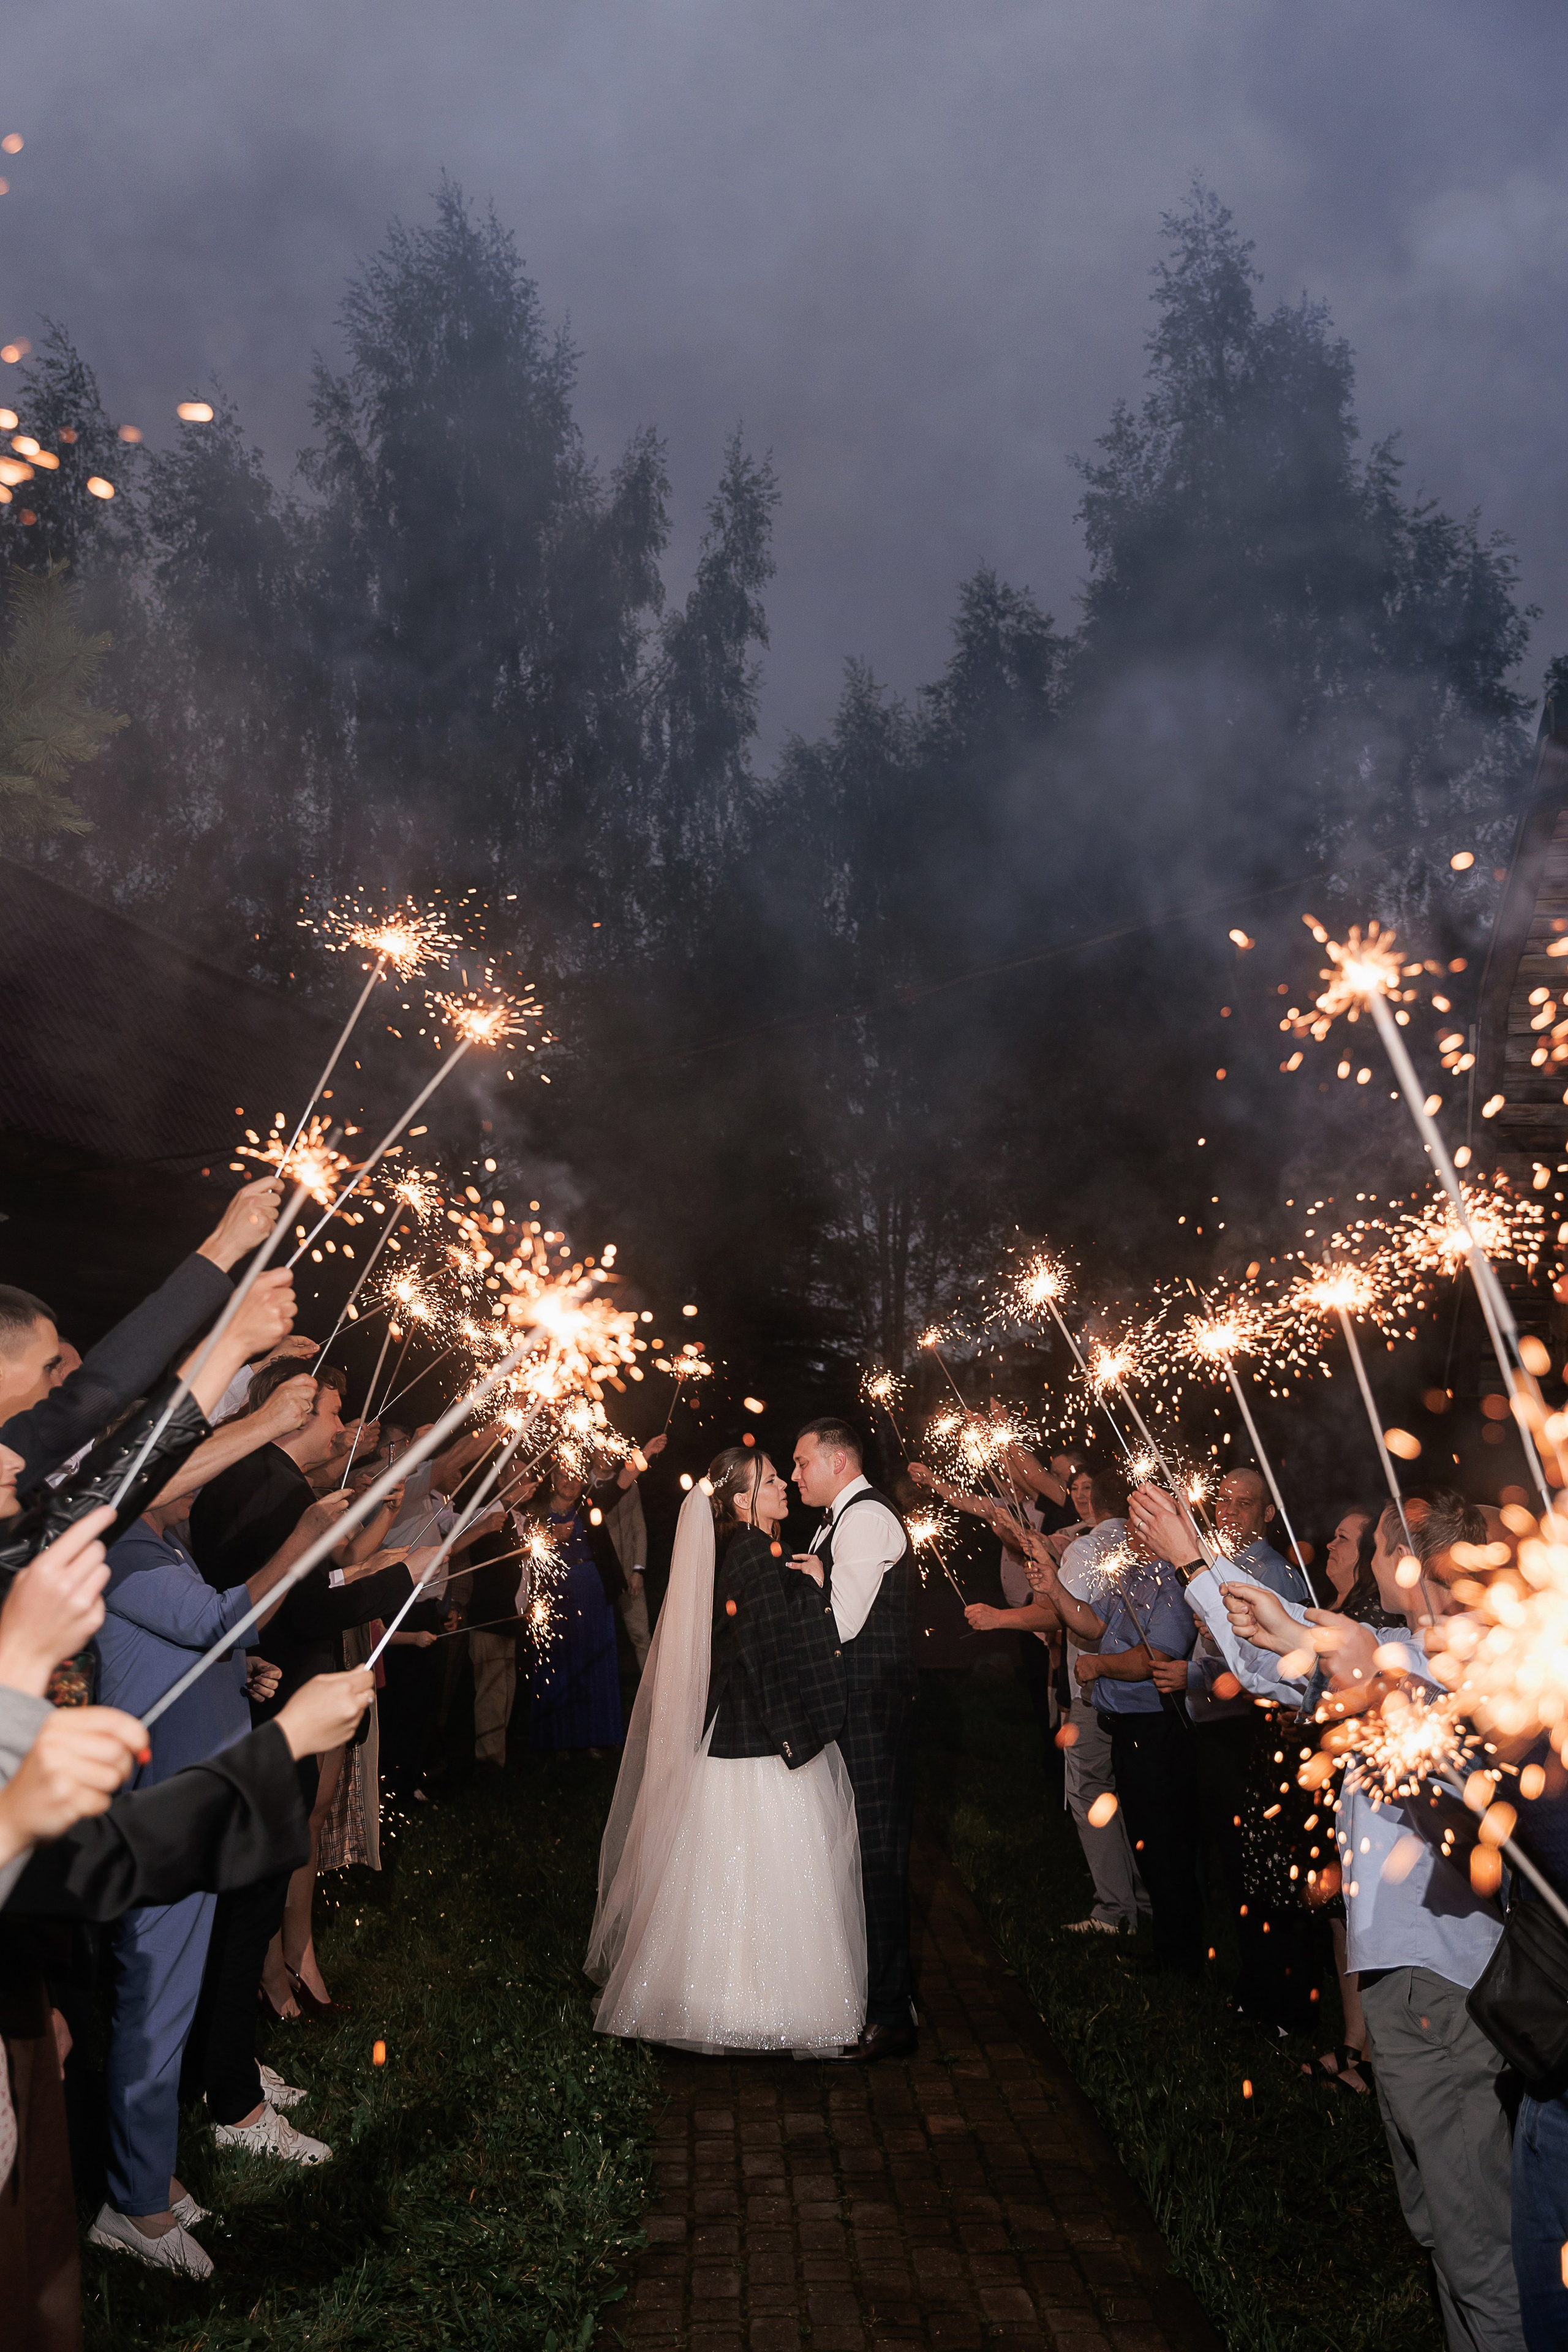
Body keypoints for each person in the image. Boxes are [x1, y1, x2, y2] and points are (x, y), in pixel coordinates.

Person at [1215, 1494, 1524, 2352]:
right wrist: (1212, 1574)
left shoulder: (1458, 1671)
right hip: (1405, 1983)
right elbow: (1276, 1661)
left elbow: (1454, 1801)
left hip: (1448, 1985)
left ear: (1401, 1565)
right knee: (1437, 2221)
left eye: (1377, 1547)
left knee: (1479, 2248)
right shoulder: (1403, 1651)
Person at [587, 1449, 862, 2053]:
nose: (783, 1488)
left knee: (733, 1871)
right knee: (772, 1867)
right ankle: (769, 2009)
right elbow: (767, 1653)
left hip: (739, 1732)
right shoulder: (752, 1555)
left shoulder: (747, 1552)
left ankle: (719, 2000)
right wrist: (795, 1735)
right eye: (769, 1482)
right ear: (742, 1500)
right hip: (759, 1738)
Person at [1150, 1466, 1317, 2034]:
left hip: (1252, 1738)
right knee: (1237, 1865)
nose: (1229, 1513)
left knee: (1261, 1869)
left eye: (1244, 1505)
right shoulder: (1223, 1566)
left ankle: (1281, 1998)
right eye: (1222, 1502)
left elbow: (1281, 1674)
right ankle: (1256, 1986)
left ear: (1268, 1514)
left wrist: (1193, 1678)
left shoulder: (1273, 1574)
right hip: (1220, 1736)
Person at [0, 1175, 285, 1496]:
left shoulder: (16, 1471)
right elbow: (110, 1381)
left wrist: (239, 1346)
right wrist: (223, 1248)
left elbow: (105, 1493)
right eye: (49, 1367)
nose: (67, 1391)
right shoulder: (17, 1462)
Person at [793, 1416, 916, 2060]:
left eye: (802, 1463)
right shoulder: (840, 1517)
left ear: (838, 1462)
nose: (795, 1475)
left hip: (871, 1711)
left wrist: (810, 1589)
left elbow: (839, 1623)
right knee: (857, 1855)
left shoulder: (866, 1518)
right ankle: (873, 1996)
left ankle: (892, 2015)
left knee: (877, 1858)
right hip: (855, 1709)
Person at [1017, 1464, 1151, 1937]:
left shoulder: (1089, 1549)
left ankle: (1115, 1911)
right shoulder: (1143, 1545)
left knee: (1089, 1790)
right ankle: (1140, 1898)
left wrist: (1003, 1615)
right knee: (1133, 1795)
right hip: (1145, 1692)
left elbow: (1072, 1618)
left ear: (1093, 1498)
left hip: (1095, 1687)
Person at [519, 1453, 641, 1758]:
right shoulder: (534, 1511)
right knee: (557, 1661)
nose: (569, 1481)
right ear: (553, 1479)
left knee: (593, 1660)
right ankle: (558, 1740)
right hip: (552, 1592)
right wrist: (549, 1536)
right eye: (562, 1475)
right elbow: (520, 1549)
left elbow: (622, 1483)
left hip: (591, 1589)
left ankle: (595, 1737)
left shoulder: (590, 1505)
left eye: (574, 1475)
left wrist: (646, 1454)